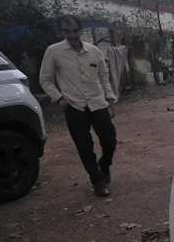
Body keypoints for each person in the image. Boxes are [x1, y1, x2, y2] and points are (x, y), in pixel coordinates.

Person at [39, 15, 118, 197]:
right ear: (62, 32)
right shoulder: (53, 51)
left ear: (80, 31)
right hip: (73, 106)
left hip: (98, 103)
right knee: (84, 146)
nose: (72, 35)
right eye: (67, 31)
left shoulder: (94, 51)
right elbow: (45, 79)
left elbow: (103, 76)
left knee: (110, 141)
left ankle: (104, 165)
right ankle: (97, 181)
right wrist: (59, 98)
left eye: (74, 31)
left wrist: (110, 100)